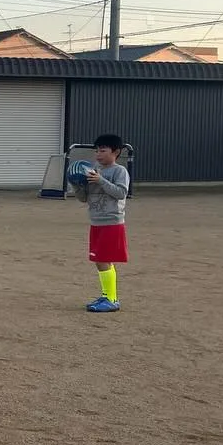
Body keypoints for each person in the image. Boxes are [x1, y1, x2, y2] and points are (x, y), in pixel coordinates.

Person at [77, 134, 131, 313]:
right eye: (96, 151)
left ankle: (111, 299)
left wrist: (101, 180)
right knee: (100, 260)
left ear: (115, 152)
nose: (98, 154)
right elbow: (84, 198)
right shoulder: (93, 170)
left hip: (112, 221)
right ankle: (108, 295)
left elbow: (121, 193)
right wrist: (78, 186)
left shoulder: (119, 171)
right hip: (96, 221)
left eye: (103, 150)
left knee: (103, 260)